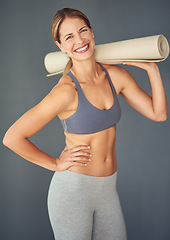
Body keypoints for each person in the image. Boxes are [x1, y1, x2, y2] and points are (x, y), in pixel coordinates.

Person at [3, 7, 167, 240]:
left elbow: (158, 114)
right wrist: (55, 163)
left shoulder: (116, 76)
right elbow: (12, 137)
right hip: (73, 192)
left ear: (92, 32)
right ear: (60, 46)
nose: (79, 40)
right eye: (69, 37)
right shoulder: (65, 91)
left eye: (83, 31)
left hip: (108, 190)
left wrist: (152, 69)